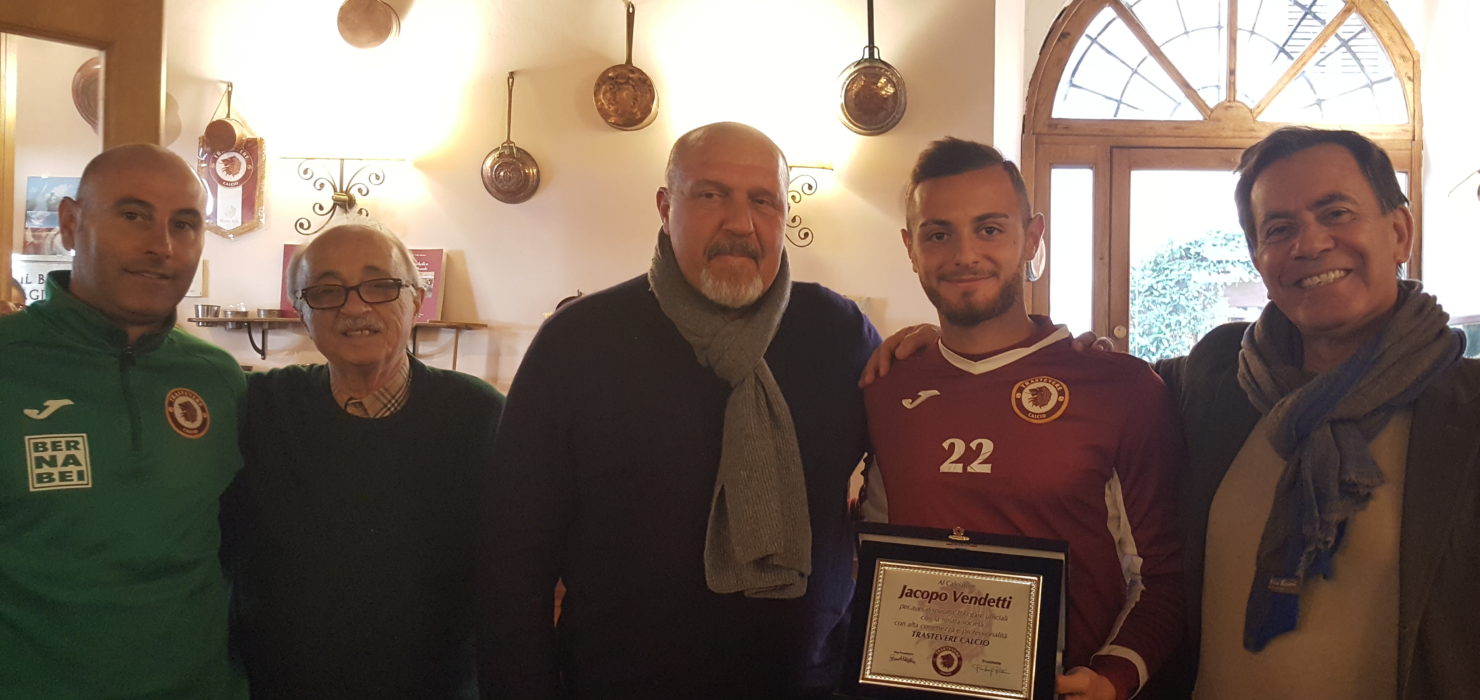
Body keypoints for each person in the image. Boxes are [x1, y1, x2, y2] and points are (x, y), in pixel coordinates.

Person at [864, 127, 1480, 699]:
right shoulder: (1216, 383)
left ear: (1399, 231)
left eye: (1335, 213)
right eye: (1279, 228)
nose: (1309, 243)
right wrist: (934, 343)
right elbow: (1037, 382)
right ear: (1258, 255)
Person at [479, 122, 880, 698]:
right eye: (712, 194)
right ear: (666, 206)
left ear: (785, 215)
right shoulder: (579, 342)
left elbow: (910, 479)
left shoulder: (840, 335)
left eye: (763, 201)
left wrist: (933, 357)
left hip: (806, 683)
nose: (740, 224)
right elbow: (513, 559)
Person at [863, 138, 1185, 700]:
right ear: (911, 248)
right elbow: (870, 550)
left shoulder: (1123, 389)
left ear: (1032, 237)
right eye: (939, 234)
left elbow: (1164, 575)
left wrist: (1115, 675)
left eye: (989, 229)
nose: (965, 254)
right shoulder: (886, 386)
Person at [0, 144, 247, 697]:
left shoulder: (219, 380)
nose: (161, 246)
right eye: (133, 215)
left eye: (183, 224)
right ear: (70, 222)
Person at [221, 223, 504, 698]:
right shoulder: (260, 409)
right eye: (326, 291)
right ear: (302, 312)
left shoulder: (479, 416)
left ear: (416, 300)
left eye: (380, 286)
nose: (355, 307)